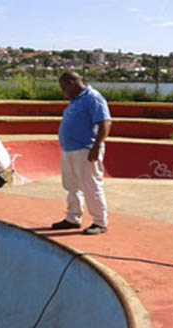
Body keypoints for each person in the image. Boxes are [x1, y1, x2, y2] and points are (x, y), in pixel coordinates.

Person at [50, 71, 112, 235]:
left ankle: (100, 222)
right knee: (72, 186)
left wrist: (97, 145)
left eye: (64, 88)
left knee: (91, 186)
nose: (63, 92)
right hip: (70, 150)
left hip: (86, 149)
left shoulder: (93, 97)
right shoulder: (75, 100)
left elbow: (105, 122)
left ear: (72, 83)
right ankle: (73, 217)